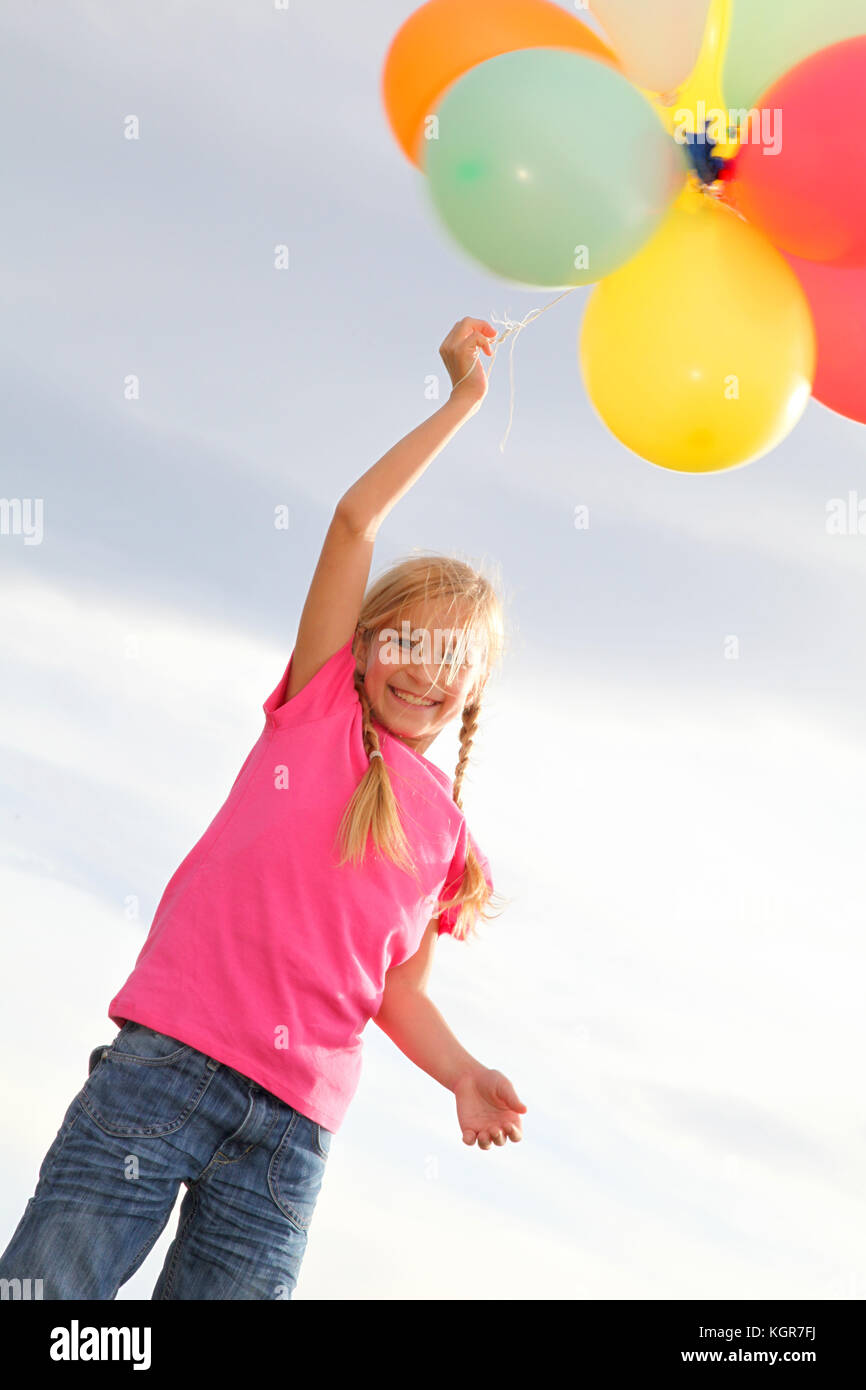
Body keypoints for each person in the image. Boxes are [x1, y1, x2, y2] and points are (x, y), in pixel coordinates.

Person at [0, 317, 527, 1301]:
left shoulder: (447, 841)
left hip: (291, 1134)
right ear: (363, 646)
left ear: (474, 690)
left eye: (455, 658)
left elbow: (398, 994)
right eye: (409, 640)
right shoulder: (318, 703)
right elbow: (353, 524)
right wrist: (460, 402)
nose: (427, 668)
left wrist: (460, 1072)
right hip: (169, 1065)